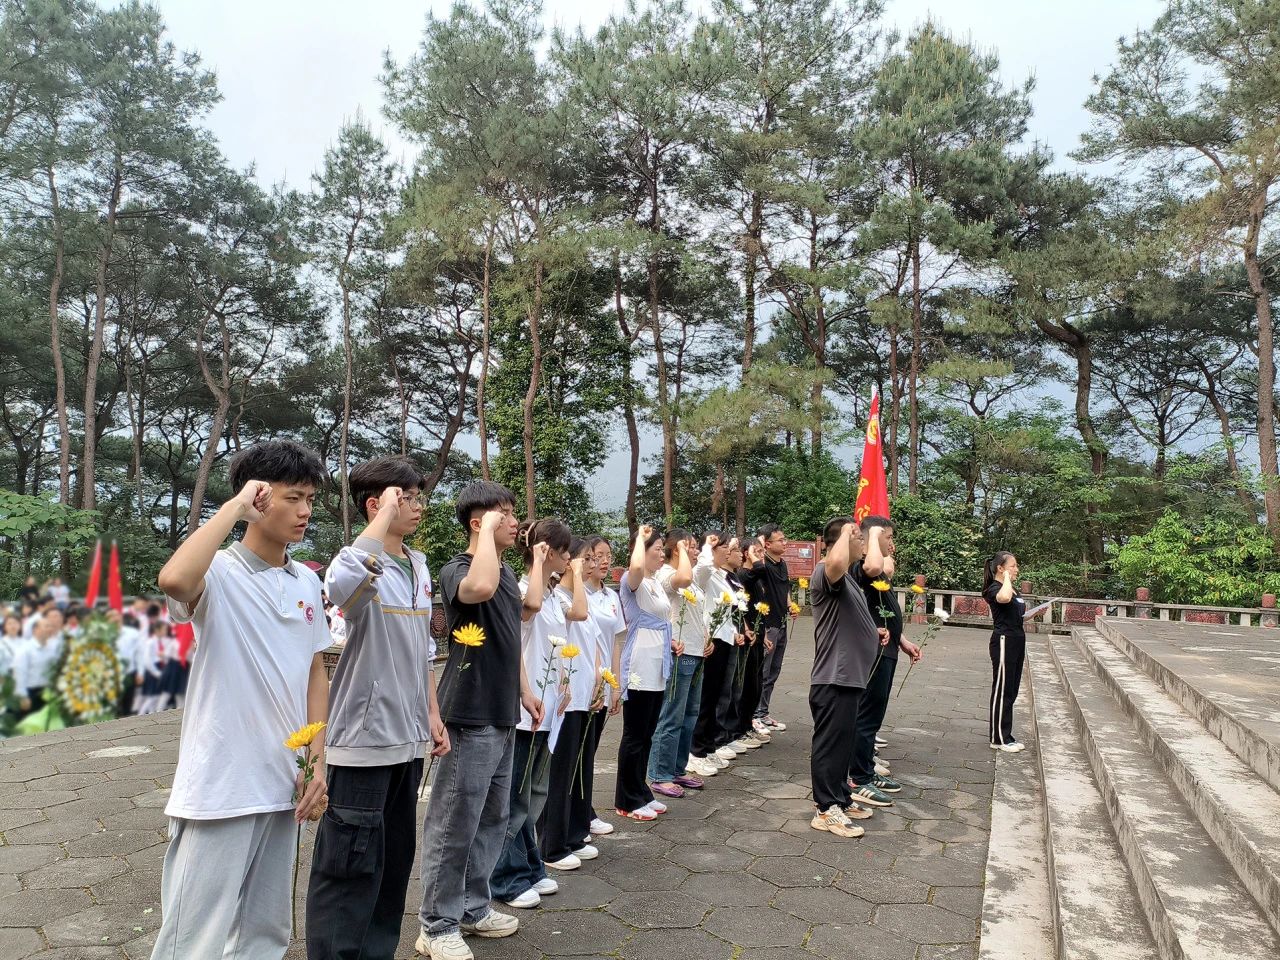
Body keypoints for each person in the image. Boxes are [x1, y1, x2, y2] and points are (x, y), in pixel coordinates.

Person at [150, 439, 331, 960]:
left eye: (310, 499)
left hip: (284, 782)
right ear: (258, 497)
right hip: (221, 786)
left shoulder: (306, 580)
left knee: (265, 935)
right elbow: (174, 580)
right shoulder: (218, 572)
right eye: (293, 497)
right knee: (193, 939)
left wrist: (317, 760)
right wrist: (232, 508)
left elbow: (315, 670)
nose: (305, 511)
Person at [307, 456, 450, 960]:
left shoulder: (418, 565)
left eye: (417, 496)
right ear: (376, 504)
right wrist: (383, 516)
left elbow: (423, 650)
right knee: (349, 867)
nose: (418, 506)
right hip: (363, 743)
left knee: (392, 865)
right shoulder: (361, 563)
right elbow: (340, 586)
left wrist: (432, 712)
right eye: (406, 497)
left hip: (408, 740)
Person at [416, 481, 544, 960]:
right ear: (478, 522)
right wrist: (487, 534)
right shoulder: (458, 569)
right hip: (468, 713)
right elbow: (480, 589)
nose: (515, 521)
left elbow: (512, 635)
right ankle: (436, 924)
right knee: (454, 823)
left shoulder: (505, 571)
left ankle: (472, 908)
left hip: (502, 710)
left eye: (512, 513)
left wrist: (525, 689)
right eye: (503, 514)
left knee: (491, 819)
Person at [489, 518, 577, 908]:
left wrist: (564, 682)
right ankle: (504, 876)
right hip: (524, 708)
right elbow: (530, 610)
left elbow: (562, 637)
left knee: (535, 793)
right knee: (515, 797)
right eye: (563, 550)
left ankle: (529, 866)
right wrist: (538, 564)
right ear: (546, 550)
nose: (568, 557)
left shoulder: (554, 595)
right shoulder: (524, 589)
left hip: (548, 706)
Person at [808, 516, 884, 839]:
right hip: (834, 677)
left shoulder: (849, 578)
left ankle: (840, 797)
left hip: (850, 677)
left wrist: (872, 631)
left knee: (843, 744)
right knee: (830, 745)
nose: (862, 542)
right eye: (857, 537)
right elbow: (835, 561)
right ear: (841, 539)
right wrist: (844, 533)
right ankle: (826, 809)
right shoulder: (825, 571)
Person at [847, 516, 922, 811]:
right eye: (887, 537)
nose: (892, 543)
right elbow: (874, 566)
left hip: (888, 649)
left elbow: (884, 612)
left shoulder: (877, 573)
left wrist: (902, 641)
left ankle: (866, 768)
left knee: (874, 716)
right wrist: (874, 534)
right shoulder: (862, 567)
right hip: (873, 652)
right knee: (866, 716)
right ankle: (858, 778)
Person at [540, 537, 604, 879]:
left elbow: (593, 641)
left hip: (583, 691)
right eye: (585, 558)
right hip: (565, 695)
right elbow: (579, 615)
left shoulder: (578, 595)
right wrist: (576, 575)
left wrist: (600, 679)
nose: (591, 564)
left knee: (581, 767)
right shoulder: (560, 598)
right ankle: (552, 843)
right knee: (561, 770)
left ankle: (575, 832)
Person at [614, 526, 673, 822]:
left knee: (647, 733)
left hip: (657, 665)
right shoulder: (631, 580)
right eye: (657, 549)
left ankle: (641, 790)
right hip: (639, 666)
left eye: (662, 549)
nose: (662, 554)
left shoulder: (655, 582)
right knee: (635, 735)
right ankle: (626, 799)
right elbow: (636, 567)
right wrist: (639, 537)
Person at [647, 530, 709, 798]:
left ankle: (677, 768)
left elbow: (698, 613)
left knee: (689, 716)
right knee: (672, 716)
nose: (696, 551)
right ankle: (660, 774)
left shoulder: (691, 580)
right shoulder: (666, 575)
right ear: (677, 549)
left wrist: (706, 637)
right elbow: (683, 578)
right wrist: (682, 549)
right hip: (679, 654)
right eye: (691, 547)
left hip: (696, 652)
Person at [689, 533, 744, 777]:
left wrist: (735, 632)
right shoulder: (706, 573)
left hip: (724, 637)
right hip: (712, 639)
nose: (729, 551)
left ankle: (708, 745)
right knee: (706, 697)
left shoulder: (722, 575)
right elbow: (701, 571)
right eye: (725, 547)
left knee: (717, 695)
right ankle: (696, 751)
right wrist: (706, 547)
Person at [582, 537, 624, 838]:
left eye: (608, 555)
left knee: (591, 749)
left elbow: (615, 643)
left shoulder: (610, 595)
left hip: (604, 682)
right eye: (597, 556)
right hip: (584, 681)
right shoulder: (576, 593)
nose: (604, 561)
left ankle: (583, 810)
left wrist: (615, 685)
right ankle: (579, 813)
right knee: (579, 752)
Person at [740, 524, 791, 732]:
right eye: (781, 540)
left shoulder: (782, 564)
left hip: (781, 621)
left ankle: (763, 711)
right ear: (767, 544)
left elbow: (785, 586)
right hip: (766, 624)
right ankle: (754, 714)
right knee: (763, 671)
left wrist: (789, 604)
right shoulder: (762, 566)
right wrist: (757, 549)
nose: (785, 543)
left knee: (774, 671)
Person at [983, 551, 1028, 753]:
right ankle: (998, 738)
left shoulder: (1012, 589)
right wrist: (1006, 578)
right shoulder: (994, 588)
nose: (1017, 569)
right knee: (1002, 689)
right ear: (1000, 568)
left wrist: (1034, 613)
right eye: (1013, 566)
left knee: (1011, 689)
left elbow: (1016, 614)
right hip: (1004, 641)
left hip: (1017, 639)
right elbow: (1003, 598)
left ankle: (1006, 735)